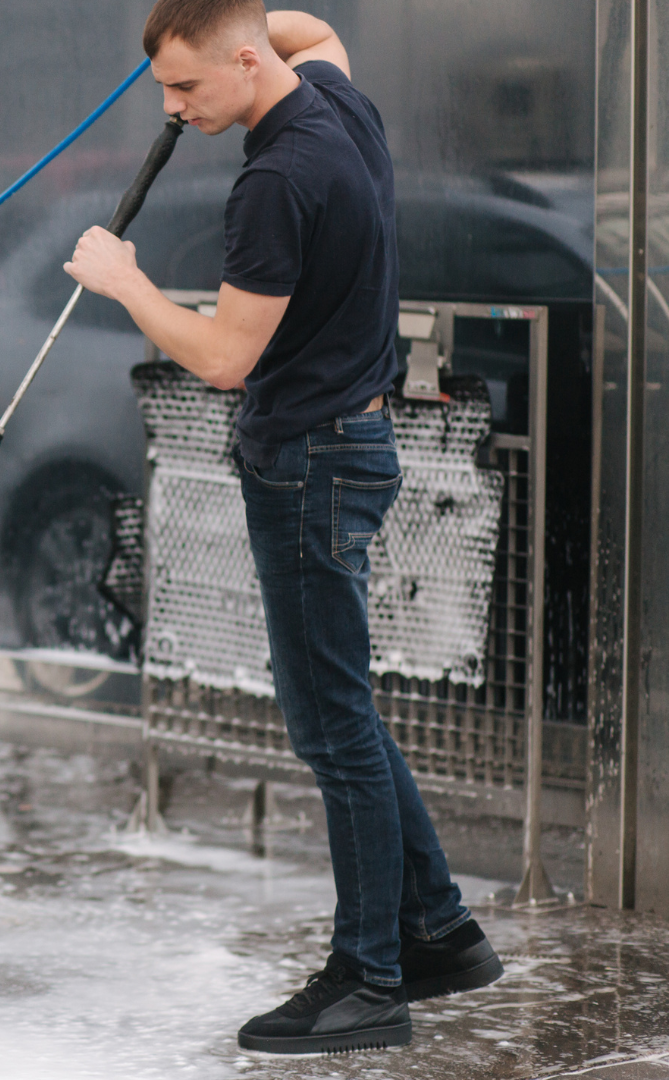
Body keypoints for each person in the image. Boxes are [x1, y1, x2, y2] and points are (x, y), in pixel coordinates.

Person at [62, 0, 505, 1056]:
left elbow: (223, 358)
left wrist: (123, 282)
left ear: (246, 60)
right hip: (349, 447)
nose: (170, 112)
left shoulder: (275, 181)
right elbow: (308, 31)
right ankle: (438, 929)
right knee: (346, 712)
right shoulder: (338, 108)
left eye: (184, 90)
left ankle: (368, 981)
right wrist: (236, 17)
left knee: (331, 731)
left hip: (308, 464)